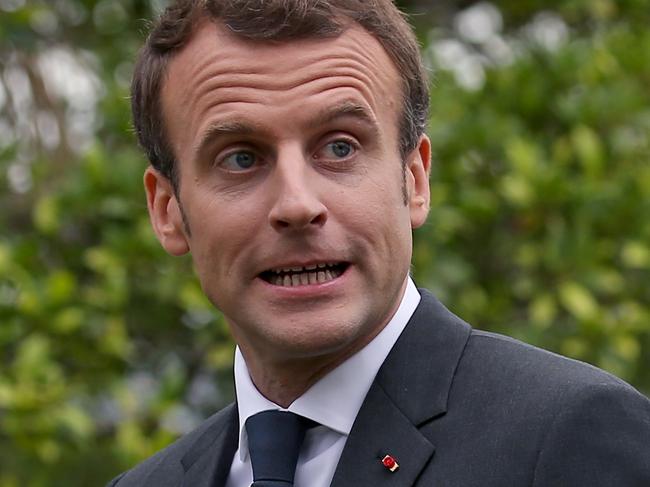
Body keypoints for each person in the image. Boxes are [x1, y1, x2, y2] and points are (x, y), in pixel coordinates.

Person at [108, 1, 650, 485]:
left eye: (340, 147)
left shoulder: (570, 437)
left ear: (414, 179)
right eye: (241, 158)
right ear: (168, 210)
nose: (297, 204)